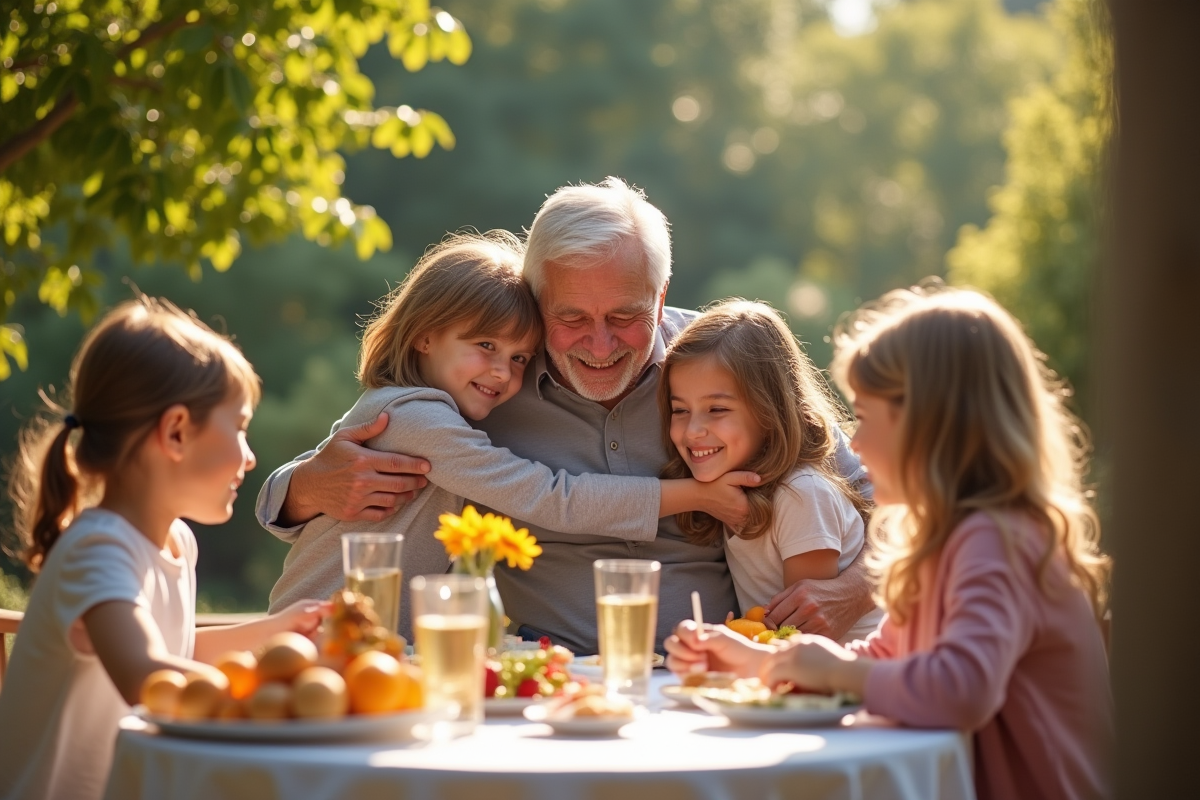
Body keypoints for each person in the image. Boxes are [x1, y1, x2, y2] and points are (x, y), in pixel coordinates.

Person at [258, 177, 875, 654]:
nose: (600, 345)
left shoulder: (722, 364)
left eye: (626, 317)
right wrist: (307, 486)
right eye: (572, 318)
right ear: (536, 299)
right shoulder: (487, 384)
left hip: (718, 670)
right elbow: (305, 488)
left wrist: (855, 589)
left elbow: (880, 493)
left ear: (660, 296)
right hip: (554, 678)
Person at [664, 284, 1113, 800]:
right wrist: (756, 660)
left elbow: (961, 689)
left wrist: (831, 667)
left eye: (869, 418)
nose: (853, 442)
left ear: (935, 426)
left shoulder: (998, 539)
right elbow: (886, 656)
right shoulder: (942, 540)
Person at [267, 230, 756, 639]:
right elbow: (548, 497)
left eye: (519, 358)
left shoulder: (708, 351)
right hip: (320, 632)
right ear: (424, 334)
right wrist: (698, 494)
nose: (503, 374)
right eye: (485, 346)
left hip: (379, 640)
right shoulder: (416, 418)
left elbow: (823, 456)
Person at [0, 298, 328, 800]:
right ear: (176, 431)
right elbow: (146, 675)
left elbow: (175, 651)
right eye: (239, 428)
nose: (250, 455)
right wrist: (287, 696)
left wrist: (278, 628)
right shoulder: (98, 548)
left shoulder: (176, 539)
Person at [659, 300, 883, 643]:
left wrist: (726, 644)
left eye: (716, 409)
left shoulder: (801, 495)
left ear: (769, 410)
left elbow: (804, 636)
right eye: (680, 410)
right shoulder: (731, 488)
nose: (692, 431)